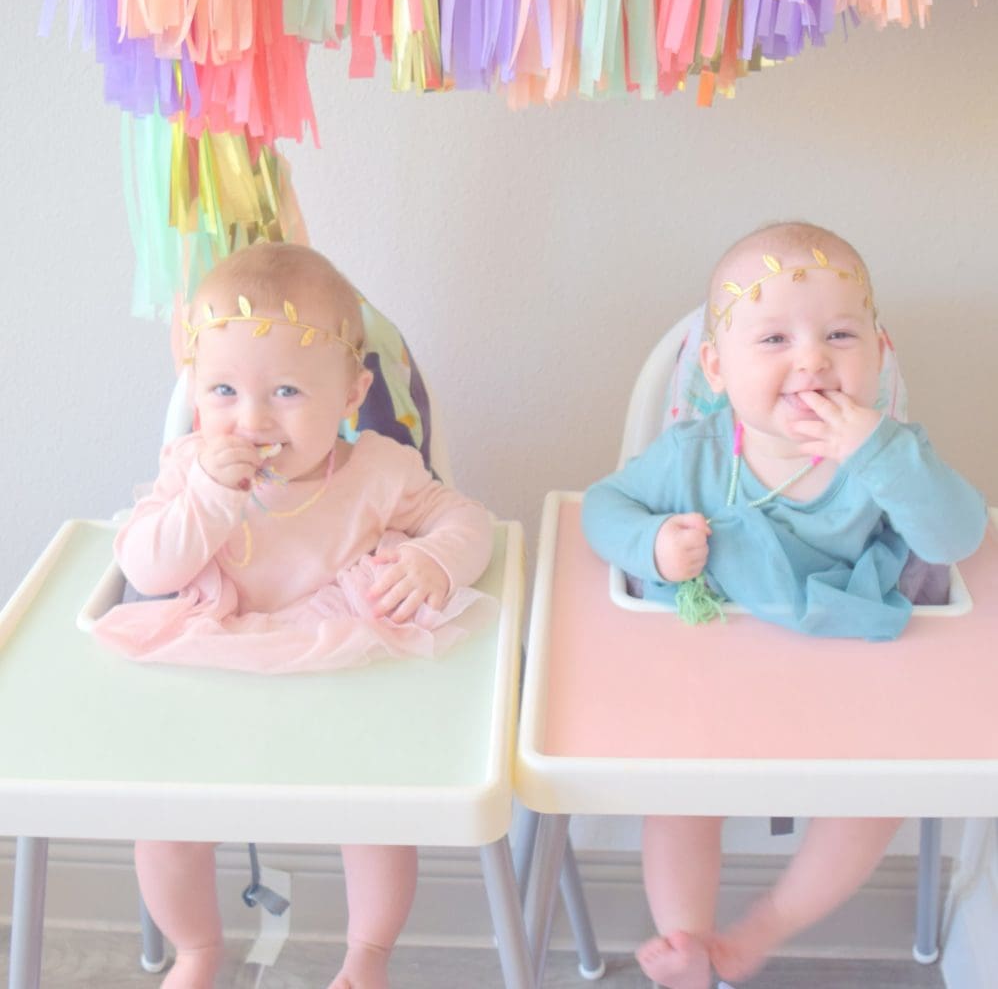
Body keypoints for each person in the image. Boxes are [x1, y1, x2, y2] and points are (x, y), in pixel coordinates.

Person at [581, 222, 987, 989]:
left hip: (854, 683)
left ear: (879, 351)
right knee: (677, 797)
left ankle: (761, 931)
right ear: (715, 367)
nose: (812, 360)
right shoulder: (694, 453)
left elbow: (959, 535)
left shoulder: (890, 453)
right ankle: (687, 942)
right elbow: (602, 507)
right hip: (710, 687)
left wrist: (879, 453)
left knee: (878, 799)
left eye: (840, 334)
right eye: (773, 340)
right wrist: (653, 544)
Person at [95, 242, 496, 989]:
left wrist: (434, 562)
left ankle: (367, 954)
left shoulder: (379, 469)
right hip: (214, 680)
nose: (250, 420)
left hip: (338, 682)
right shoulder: (189, 468)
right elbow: (145, 566)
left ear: (351, 392)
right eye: (221, 391)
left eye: (285, 392)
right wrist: (211, 500)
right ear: (193, 390)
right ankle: (197, 950)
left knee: (378, 820)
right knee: (166, 827)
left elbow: (469, 522)